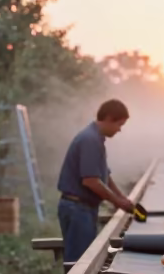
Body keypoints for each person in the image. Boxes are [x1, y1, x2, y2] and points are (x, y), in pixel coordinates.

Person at [57, 99, 134, 263]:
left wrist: (122, 198)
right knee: (78, 264)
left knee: (83, 259)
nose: (119, 130)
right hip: (77, 209)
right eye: (119, 124)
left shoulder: (96, 139)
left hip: (84, 209)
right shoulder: (89, 140)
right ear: (108, 118)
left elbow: (104, 175)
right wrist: (117, 202)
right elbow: (91, 181)